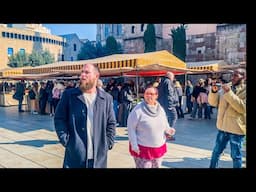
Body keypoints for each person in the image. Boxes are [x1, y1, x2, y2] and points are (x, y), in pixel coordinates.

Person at [54, 63, 116, 168]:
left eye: (87, 72)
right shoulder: (69, 95)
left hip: (99, 158)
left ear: (96, 76)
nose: (82, 75)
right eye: (82, 72)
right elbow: (59, 118)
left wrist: (108, 142)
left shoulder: (106, 98)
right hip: (75, 156)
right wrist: (66, 140)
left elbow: (111, 123)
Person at [127, 85, 175, 168]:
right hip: (142, 149)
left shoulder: (160, 109)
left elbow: (165, 124)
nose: (149, 96)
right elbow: (131, 128)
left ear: (156, 95)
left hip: (158, 148)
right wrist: (134, 145)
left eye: (152, 94)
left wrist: (169, 130)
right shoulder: (137, 110)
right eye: (147, 94)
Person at [208, 68, 246, 168]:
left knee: (236, 156)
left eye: (236, 75)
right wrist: (213, 91)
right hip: (222, 127)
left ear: (244, 77)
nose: (233, 77)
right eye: (232, 75)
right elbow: (213, 103)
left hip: (236, 129)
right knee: (216, 153)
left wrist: (229, 93)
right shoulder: (226, 87)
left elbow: (242, 108)